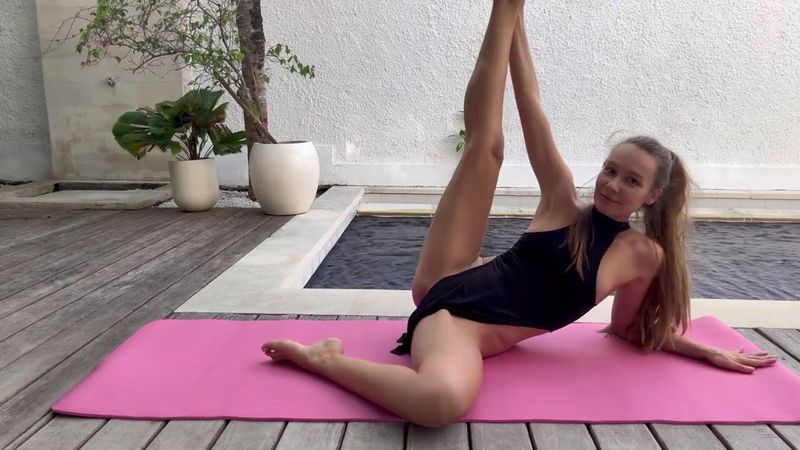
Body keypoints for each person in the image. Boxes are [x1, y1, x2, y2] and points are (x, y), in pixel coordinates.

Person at [262, 0, 777, 428]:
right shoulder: (562, 202)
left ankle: (326, 358)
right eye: (610, 170)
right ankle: (505, 5)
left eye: (631, 180)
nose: (611, 184)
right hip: (451, 296)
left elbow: (627, 329)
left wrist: (705, 351)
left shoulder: (645, 256)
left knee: (439, 403)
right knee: (486, 147)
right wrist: (515, 17)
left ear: (653, 196)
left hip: (466, 328)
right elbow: (530, 102)